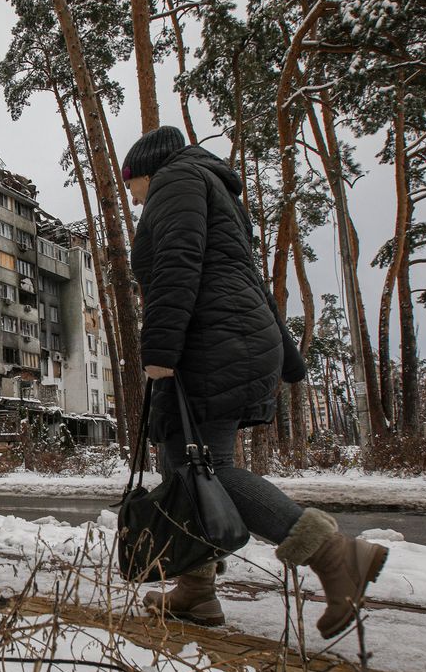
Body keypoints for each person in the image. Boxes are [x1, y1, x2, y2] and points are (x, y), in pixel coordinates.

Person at [123, 125, 387, 639]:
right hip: (234, 340)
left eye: (129, 185)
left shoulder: (176, 182)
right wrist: (288, 357)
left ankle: (335, 556)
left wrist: (158, 351)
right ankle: (196, 593)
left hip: (211, 344)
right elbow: (247, 279)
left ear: (142, 171)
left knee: (210, 471)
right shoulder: (210, 186)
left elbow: (178, 266)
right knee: (183, 468)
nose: (132, 199)